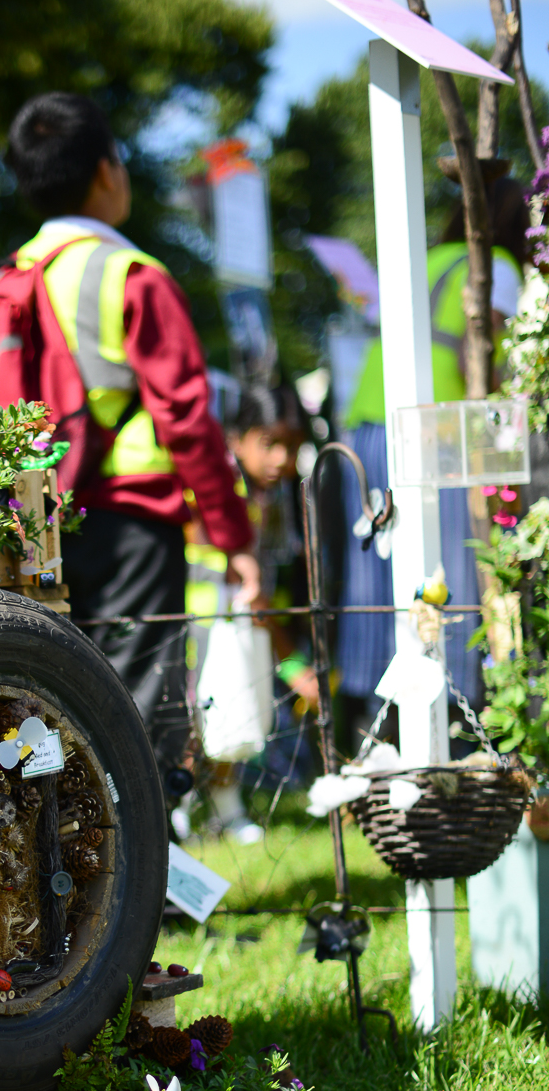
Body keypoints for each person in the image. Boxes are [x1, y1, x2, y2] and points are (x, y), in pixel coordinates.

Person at [0, 93, 260, 787]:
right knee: (136, 713)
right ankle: (142, 885)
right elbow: (187, 420)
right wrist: (234, 537)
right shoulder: (133, 276)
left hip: (28, 527)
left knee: (48, 711)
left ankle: (63, 880)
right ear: (108, 171)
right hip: (131, 521)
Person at [337, 175, 528, 745]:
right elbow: (490, 363)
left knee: (377, 572)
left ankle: (374, 721)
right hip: (435, 435)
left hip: (370, 427)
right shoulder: (496, 267)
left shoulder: (426, 257)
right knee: (447, 572)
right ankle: (451, 712)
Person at [181, 383, 316, 842]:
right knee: (192, 715)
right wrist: (292, 662)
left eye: (293, 447)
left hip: (230, 622)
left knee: (228, 709)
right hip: (197, 620)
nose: (282, 459)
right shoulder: (221, 488)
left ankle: (225, 808)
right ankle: (180, 810)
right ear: (237, 439)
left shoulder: (268, 497)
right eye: (270, 444)